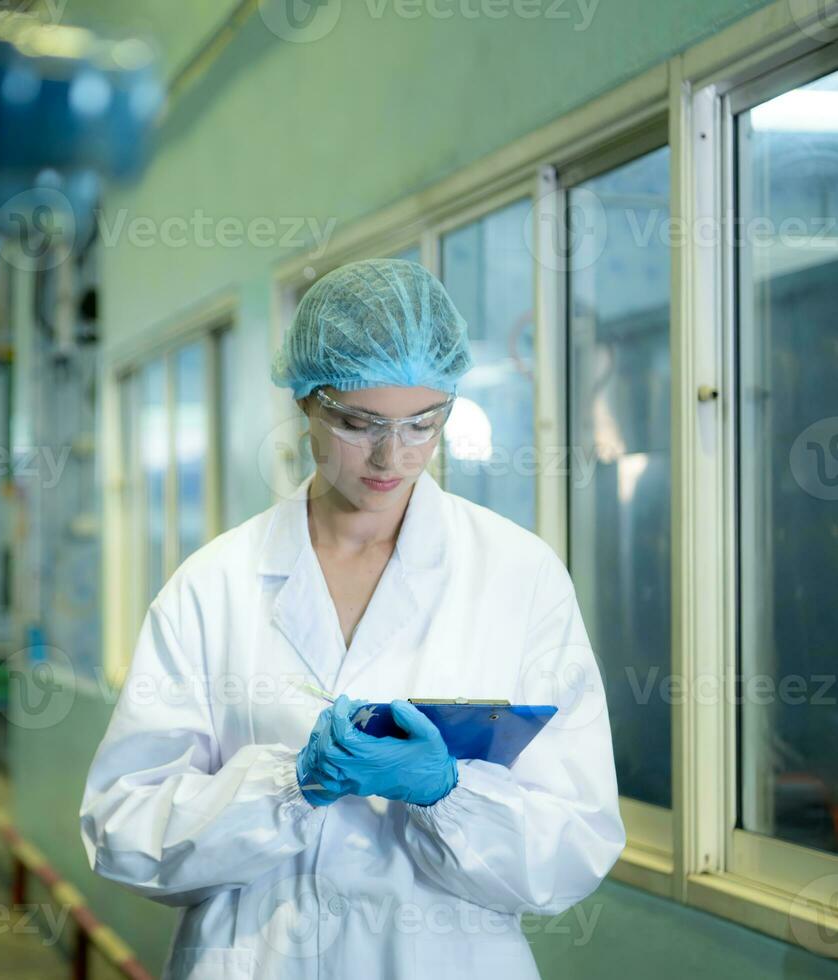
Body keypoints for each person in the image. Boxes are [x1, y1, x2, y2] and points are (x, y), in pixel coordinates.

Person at [79, 259, 624, 979]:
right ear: (307, 400)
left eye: (422, 424)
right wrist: (285, 788)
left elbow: (575, 843)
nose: (391, 457)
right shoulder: (212, 587)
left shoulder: (519, 580)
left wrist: (451, 795)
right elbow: (124, 831)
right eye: (358, 422)